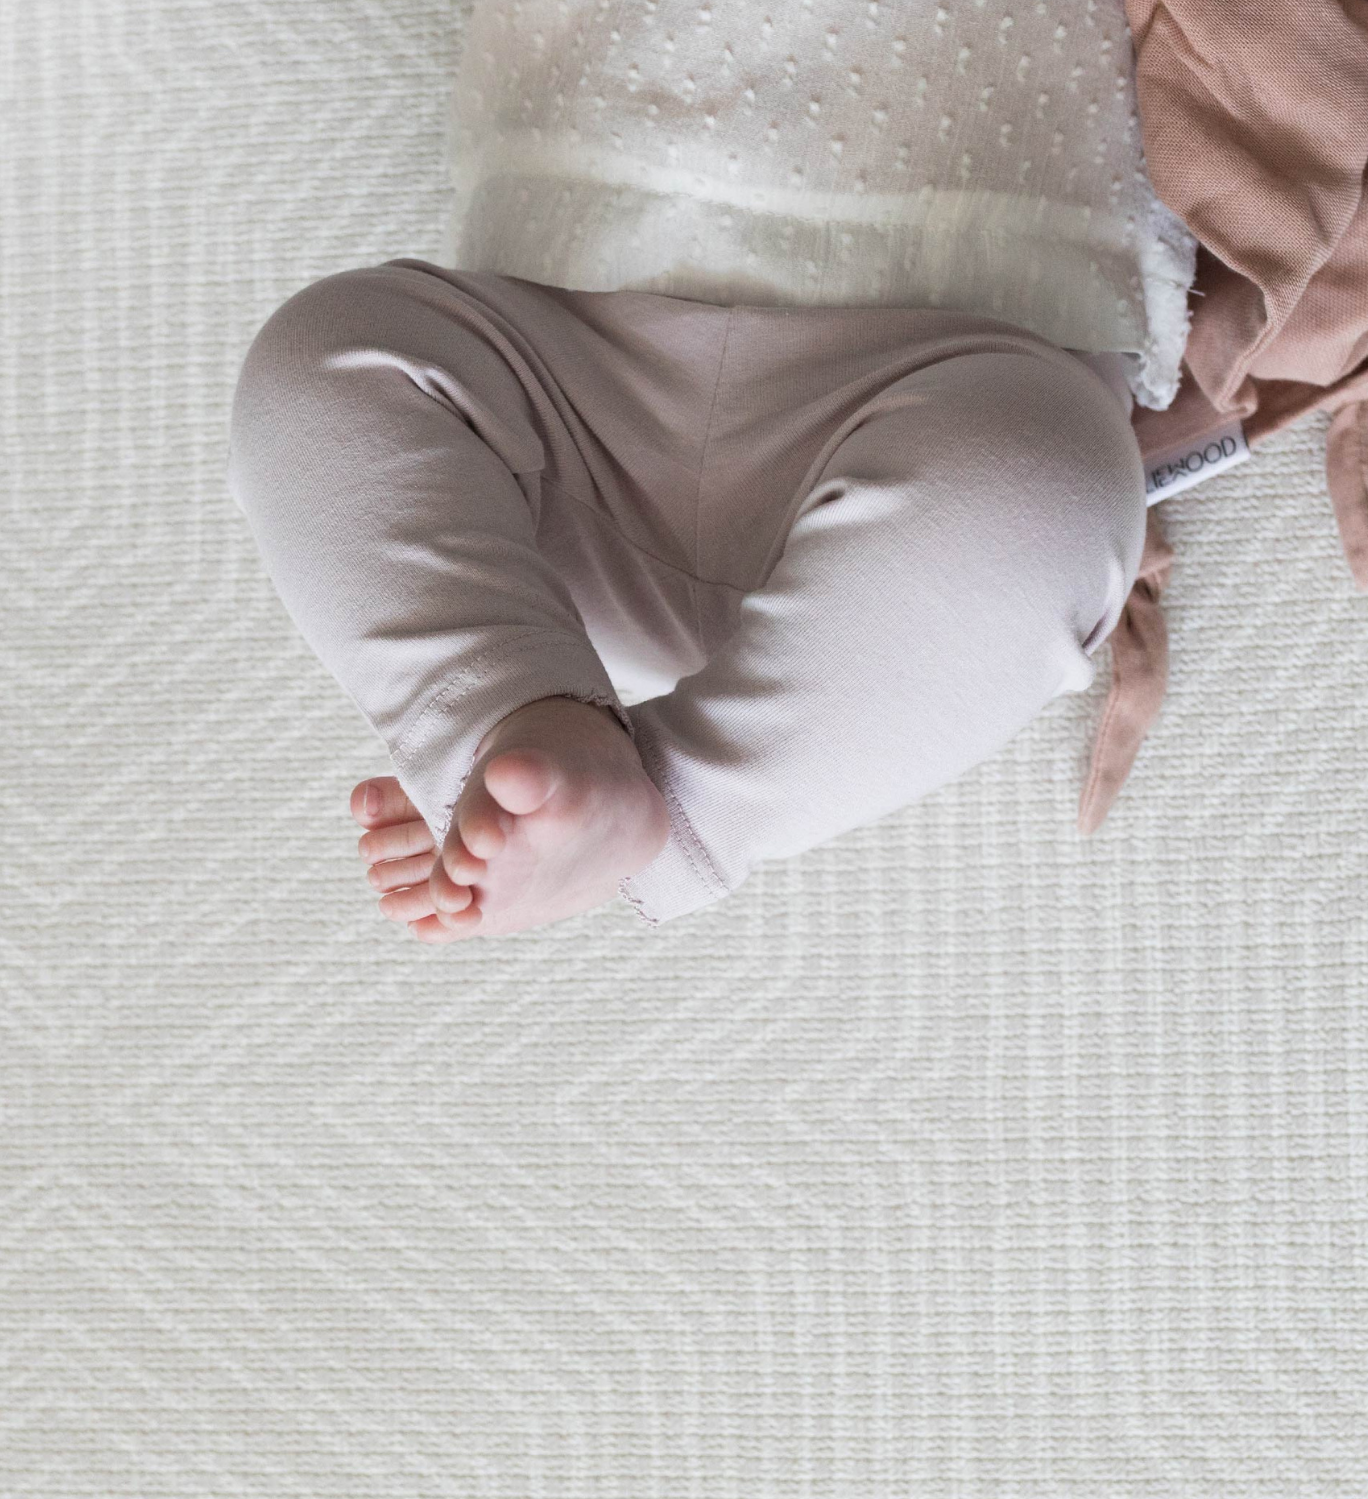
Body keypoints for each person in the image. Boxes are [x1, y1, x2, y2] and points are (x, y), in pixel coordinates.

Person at [228, 0, 1181, 942]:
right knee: (320, 364)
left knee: (1035, 494)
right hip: (565, 371)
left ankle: (648, 798)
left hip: (955, 349)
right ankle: (513, 712)